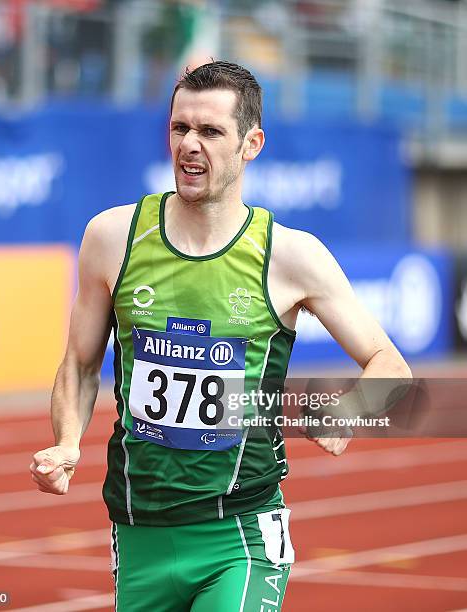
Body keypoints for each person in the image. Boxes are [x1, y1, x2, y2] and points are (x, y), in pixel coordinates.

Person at [30, 60, 411, 611]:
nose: (190, 145)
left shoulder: (290, 256)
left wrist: (350, 412)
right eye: (180, 128)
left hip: (242, 533)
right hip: (138, 528)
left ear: (251, 144)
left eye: (210, 132)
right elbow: (80, 365)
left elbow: (388, 363)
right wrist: (68, 442)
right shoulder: (112, 238)